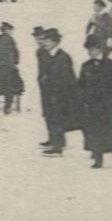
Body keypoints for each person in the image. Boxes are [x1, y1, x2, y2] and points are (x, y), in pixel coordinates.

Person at [78, 36, 112, 169]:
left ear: (100, 49)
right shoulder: (86, 66)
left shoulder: (111, 65)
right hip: (93, 105)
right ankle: (97, 159)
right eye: (89, 50)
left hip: (108, 105)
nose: (90, 52)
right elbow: (81, 85)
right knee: (95, 131)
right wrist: (85, 99)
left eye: (93, 49)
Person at [35, 28, 80, 156]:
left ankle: (58, 146)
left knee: (58, 118)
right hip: (49, 92)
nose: (44, 43)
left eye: (47, 40)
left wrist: (58, 93)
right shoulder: (48, 55)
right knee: (50, 115)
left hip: (60, 94)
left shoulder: (63, 57)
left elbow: (66, 79)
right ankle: (54, 141)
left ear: (55, 42)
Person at [0, 21, 24, 115]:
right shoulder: (10, 39)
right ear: (7, 30)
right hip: (8, 67)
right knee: (9, 86)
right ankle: (7, 107)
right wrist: (15, 63)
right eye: (11, 30)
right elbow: (16, 53)